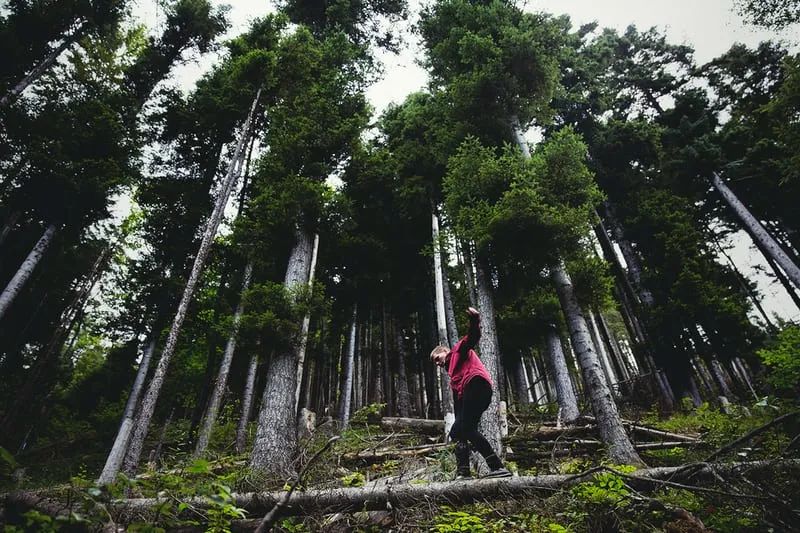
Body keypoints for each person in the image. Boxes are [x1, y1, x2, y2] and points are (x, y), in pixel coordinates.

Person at [430, 307, 512, 480]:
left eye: (438, 358)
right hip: (472, 393)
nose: (438, 364)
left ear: (445, 351)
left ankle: (497, 467)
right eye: (435, 363)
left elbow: (472, 338)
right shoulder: (453, 377)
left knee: (465, 428)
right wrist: (456, 428)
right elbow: (459, 405)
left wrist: (475, 320)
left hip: (477, 385)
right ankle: (463, 473)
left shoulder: (457, 352)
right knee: (458, 431)